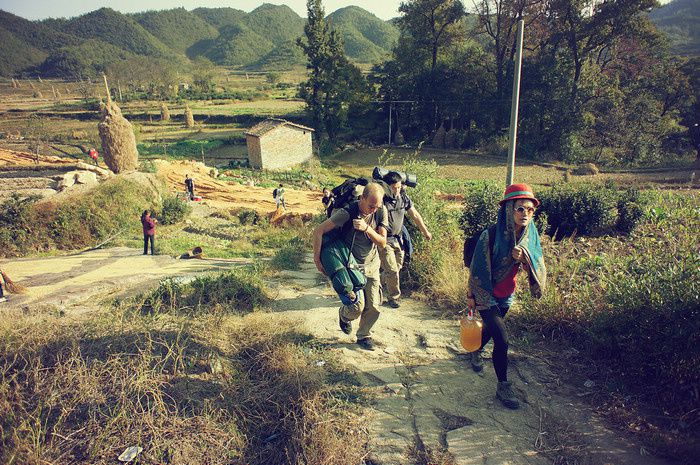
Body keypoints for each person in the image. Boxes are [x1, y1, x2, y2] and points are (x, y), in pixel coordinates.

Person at [467, 183, 546, 409]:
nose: (526, 214)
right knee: (502, 339)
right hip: (486, 294)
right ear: (509, 209)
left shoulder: (530, 235)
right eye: (521, 209)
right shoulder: (490, 235)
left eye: (530, 210)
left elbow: (537, 261)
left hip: (506, 294)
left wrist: (524, 259)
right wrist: (471, 294)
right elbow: (477, 268)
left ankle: (475, 351)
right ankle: (503, 385)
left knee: (492, 331)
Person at [313, 183, 388, 351]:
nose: (374, 210)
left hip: (372, 264)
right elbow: (319, 231)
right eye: (371, 206)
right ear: (362, 198)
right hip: (352, 266)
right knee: (356, 308)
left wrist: (367, 228)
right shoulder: (347, 213)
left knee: (374, 306)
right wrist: (317, 260)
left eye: (377, 206)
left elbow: (382, 242)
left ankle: (363, 335)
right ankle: (344, 316)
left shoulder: (381, 212)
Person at [379, 171, 432, 308]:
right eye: (394, 188)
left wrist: (425, 231)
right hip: (385, 241)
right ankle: (393, 298)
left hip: (399, 240)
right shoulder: (381, 200)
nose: (397, 190)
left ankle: (375, 285)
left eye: (398, 187)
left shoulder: (403, 198)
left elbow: (414, 214)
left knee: (397, 267)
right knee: (392, 270)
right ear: (386, 186)